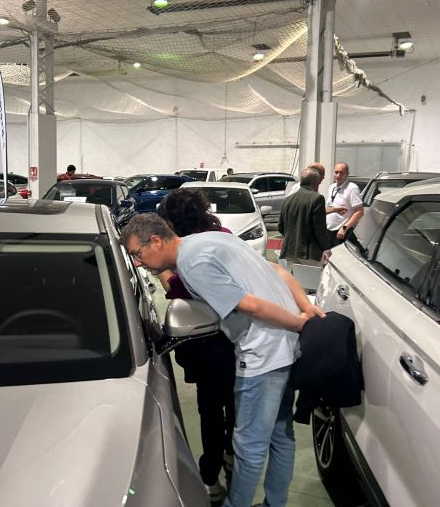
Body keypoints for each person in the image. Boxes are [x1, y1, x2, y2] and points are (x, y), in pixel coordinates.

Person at [121, 214, 324, 507]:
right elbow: (276, 269)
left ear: (155, 241)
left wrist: (300, 323)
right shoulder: (211, 239)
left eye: (138, 254)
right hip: (285, 348)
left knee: (248, 446)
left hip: (262, 355)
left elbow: (250, 305)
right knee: (281, 434)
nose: (139, 263)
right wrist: (305, 309)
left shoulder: (192, 265)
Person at [155, 189, 235, 502]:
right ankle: (232, 455)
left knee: (211, 411)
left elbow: (175, 289)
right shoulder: (223, 235)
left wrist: (162, 267)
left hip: (210, 342)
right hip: (240, 338)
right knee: (236, 404)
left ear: (172, 222)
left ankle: (210, 477)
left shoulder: (187, 250)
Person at [278, 168, 331, 266]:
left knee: (294, 275)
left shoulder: (287, 199)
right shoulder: (317, 198)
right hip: (309, 253)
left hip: (289, 251)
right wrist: (326, 248)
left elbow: (281, 226)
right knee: (311, 276)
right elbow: (319, 229)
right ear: (315, 183)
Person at [326, 162, 363, 247]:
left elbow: (359, 211)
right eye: (336, 172)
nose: (338, 175)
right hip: (329, 231)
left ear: (347, 174)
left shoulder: (352, 188)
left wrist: (344, 228)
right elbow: (330, 206)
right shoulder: (332, 187)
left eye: (341, 173)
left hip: (342, 232)